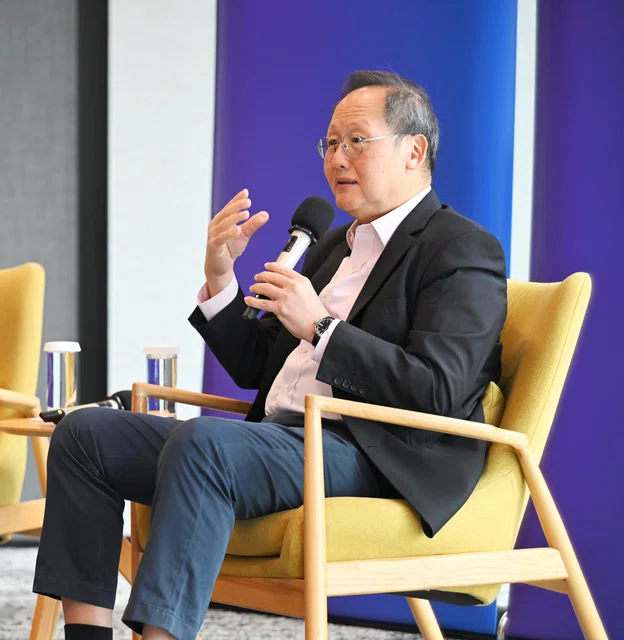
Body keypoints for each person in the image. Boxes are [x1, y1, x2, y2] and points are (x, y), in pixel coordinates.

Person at [32, 70, 508, 640]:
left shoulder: (460, 248)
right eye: (330, 143)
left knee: (202, 441)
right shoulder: (334, 245)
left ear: (414, 150)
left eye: (357, 141)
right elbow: (261, 368)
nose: (337, 158)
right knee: (85, 435)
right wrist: (219, 279)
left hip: (372, 451)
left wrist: (322, 326)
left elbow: (439, 388)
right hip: (282, 440)